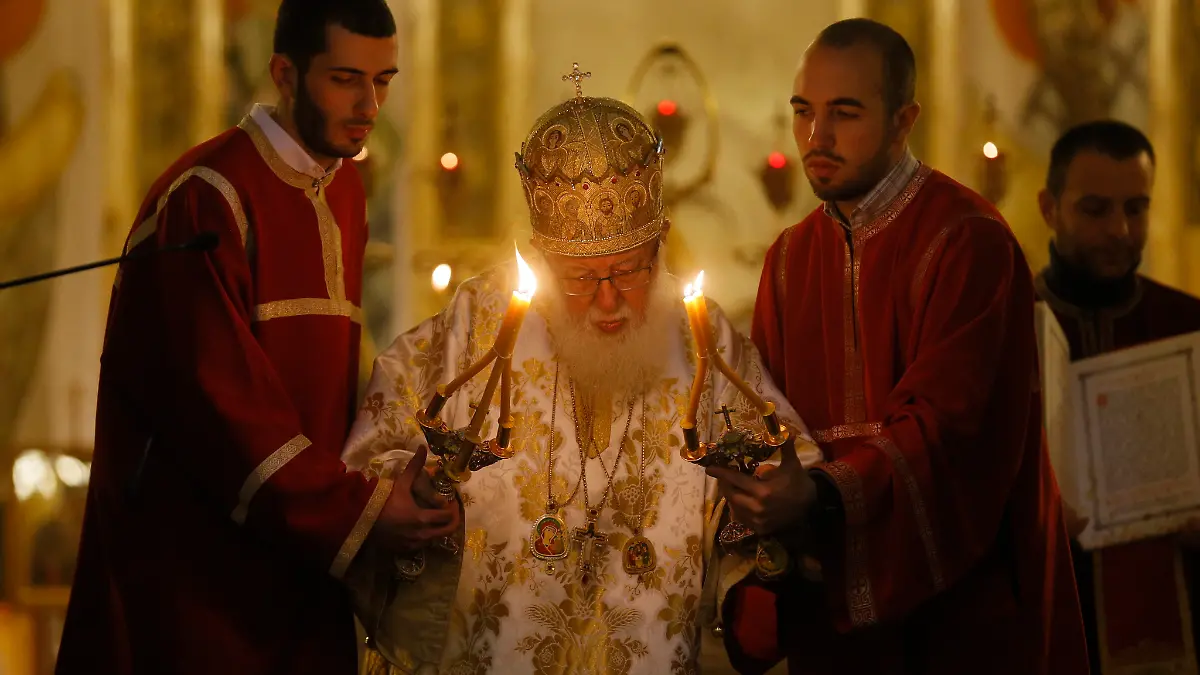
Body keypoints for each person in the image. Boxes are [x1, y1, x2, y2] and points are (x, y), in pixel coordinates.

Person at [339, 71, 823, 675]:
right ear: (542, 262)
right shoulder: (475, 324)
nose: (607, 300)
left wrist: (763, 505)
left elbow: (786, 463)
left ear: (660, 247)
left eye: (628, 271)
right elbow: (373, 451)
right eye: (578, 278)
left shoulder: (703, 336)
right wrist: (402, 498)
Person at [56, 3, 460, 674]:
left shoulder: (346, 190)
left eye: (383, 80)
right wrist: (361, 508)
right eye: (344, 79)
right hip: (201, 574)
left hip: (302, 559)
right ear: (284, 73)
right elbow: (223, 406)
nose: (369, 104)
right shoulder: (208, 195)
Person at [713, 18, 1090, 675]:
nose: (815, 138)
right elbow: (766, 421)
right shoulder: (787, 259)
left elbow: (950, 427)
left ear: (903, 118)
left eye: (845, 113)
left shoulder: (969, 240)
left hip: (963, 618)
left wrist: (821, 494)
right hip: (832, 620)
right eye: (803, 111)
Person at [1034, 120, 1200, 674]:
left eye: (1136, 207)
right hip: (1048, 613)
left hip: (1177, 606)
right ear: (1049, 207)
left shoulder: (1188, 325)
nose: (1122, 230)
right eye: (1096, 209)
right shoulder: (1005, 325)